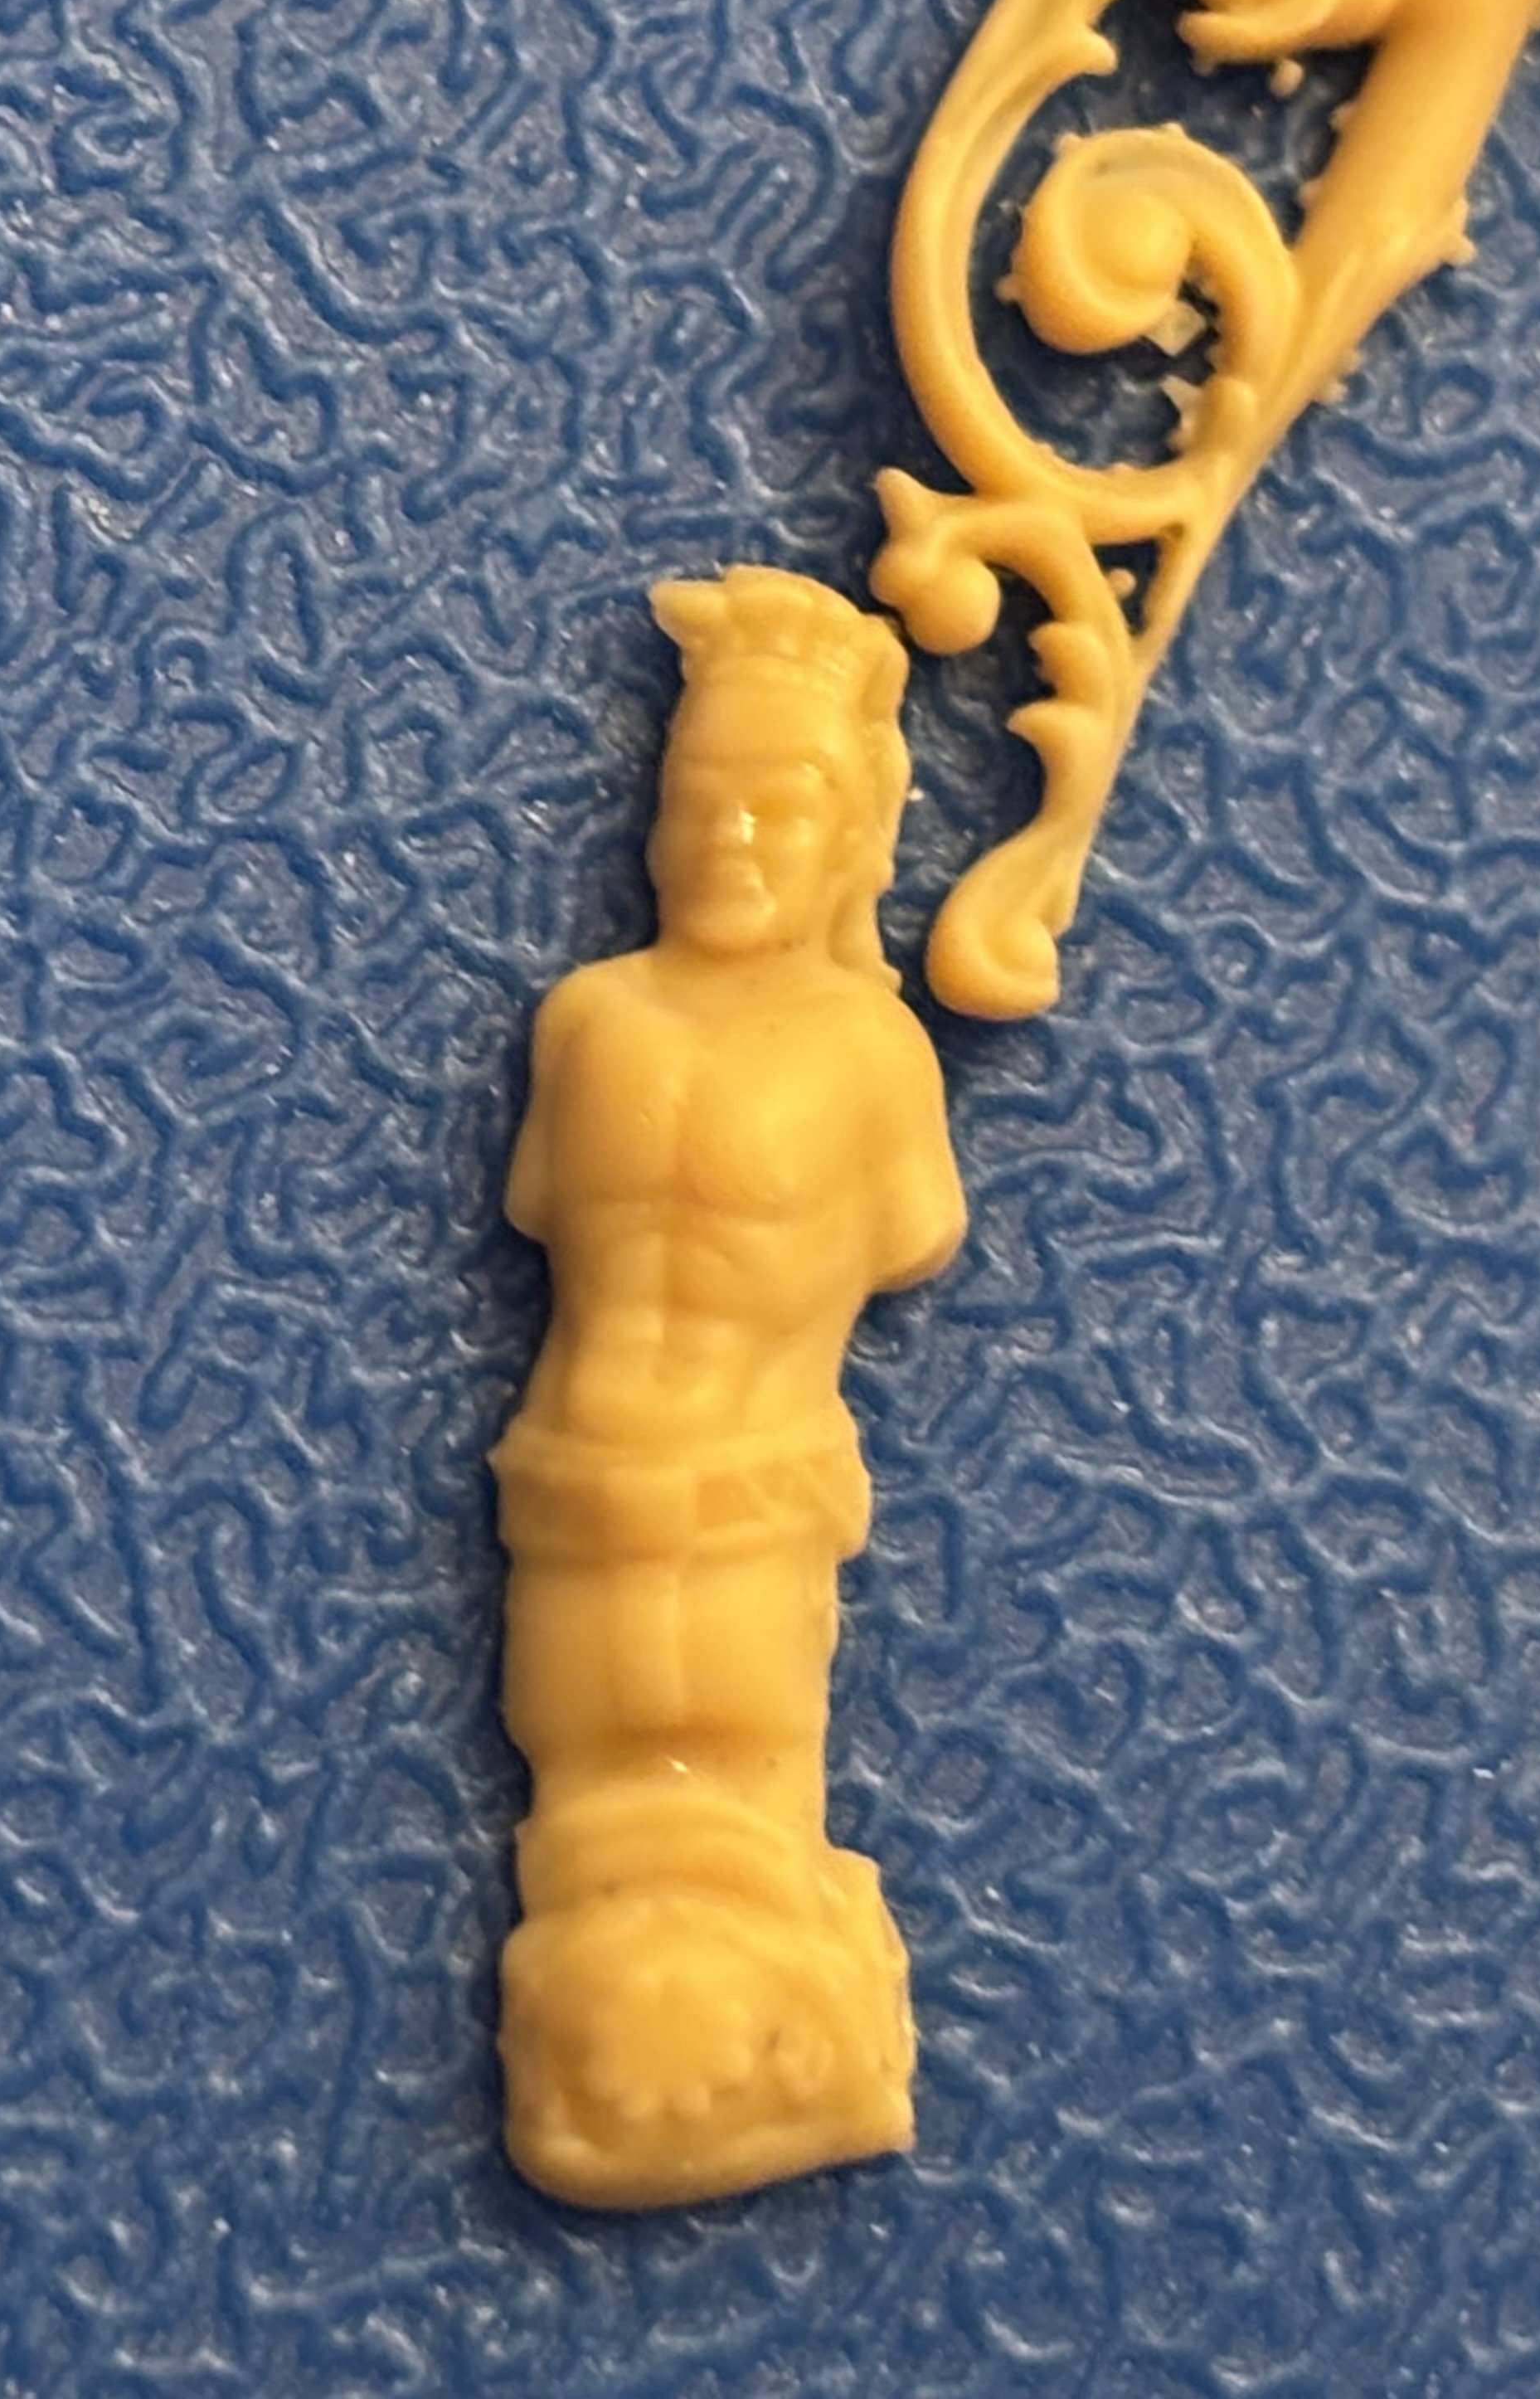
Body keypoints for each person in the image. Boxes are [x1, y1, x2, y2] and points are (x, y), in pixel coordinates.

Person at [493, 564, 964, 2207]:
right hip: (576, 1475)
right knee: (588, 1793)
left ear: (853, 836)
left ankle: (765, 2053)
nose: (734, 839)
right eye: (702, 802)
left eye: (781, 805)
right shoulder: (591, 1021)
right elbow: (549, 1206)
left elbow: (909, 1230)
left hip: (758, 1486)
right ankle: (618, 2071)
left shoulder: (871, 1053)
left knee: (746, 1789)